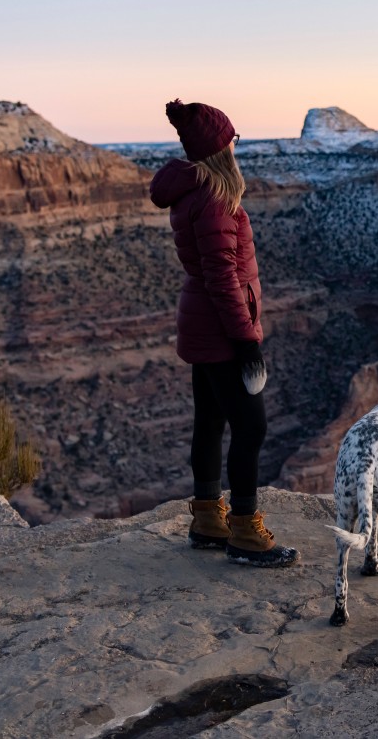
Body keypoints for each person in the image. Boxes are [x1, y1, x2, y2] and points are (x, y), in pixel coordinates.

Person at [149, 99, 298, 567]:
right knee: (251, 428)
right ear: (221, 150)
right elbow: (223, 279)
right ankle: (246, 534)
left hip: (203, 325)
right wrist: (247, 340)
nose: (237, 147)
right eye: (233, 140)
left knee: (211, 424)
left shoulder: (195, 193)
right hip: (220, 331)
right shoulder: (215, 201)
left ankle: (207, 519)